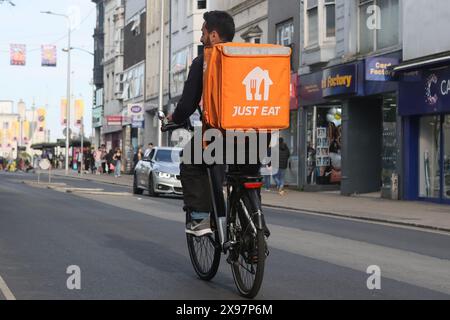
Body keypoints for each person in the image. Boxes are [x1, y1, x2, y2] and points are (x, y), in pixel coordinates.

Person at [167, 11, 237, 237]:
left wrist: (174, 119)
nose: (200, 39)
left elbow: (188, 104)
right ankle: (254, 228)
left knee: (190, 161)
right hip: (257, 134)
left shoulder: (205, 61)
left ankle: (199, 220)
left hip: (221, 135)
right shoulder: (247, 57)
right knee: (247, 178)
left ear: (214, 36)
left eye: (203, 33)